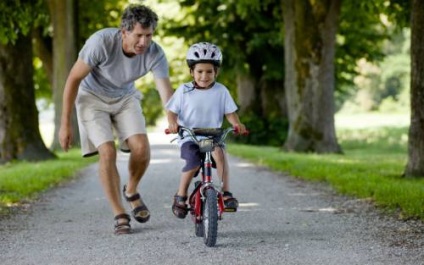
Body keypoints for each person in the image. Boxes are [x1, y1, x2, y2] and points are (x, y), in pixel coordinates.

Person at [59, 4, 173, 235]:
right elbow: (72, 80)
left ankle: (131, 190)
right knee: (108, 152)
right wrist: (65, 124)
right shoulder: (101, 42)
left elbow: (165, 90)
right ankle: (119, 213)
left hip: (124, 98)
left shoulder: (155, 53)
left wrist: (172, 119)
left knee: (141, 148)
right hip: (91, 98)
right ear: (124, 31)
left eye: (148, 35)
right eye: (138, 35)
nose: (144, 42)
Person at [166, 42, 247, 219]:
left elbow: (230, 113)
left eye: (209, 71)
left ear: (216, 72)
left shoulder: (221, 91)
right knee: (193, 162)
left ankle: (226, 194)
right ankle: (181, 195)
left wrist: (237, 124)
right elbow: (171, 111)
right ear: (191, 72)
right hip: (190, 136)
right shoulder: (184, 90)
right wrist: (173, 123)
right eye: (200, 71)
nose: (204, 76)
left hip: (211, 136)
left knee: (219, 153)